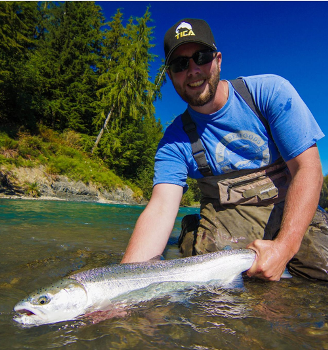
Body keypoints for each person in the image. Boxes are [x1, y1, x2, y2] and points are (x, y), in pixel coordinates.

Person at [121, 18, 328, 281]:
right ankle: (193, 231)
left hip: (291, 207)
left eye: (201, 57)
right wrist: (125, 282)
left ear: (218, 60)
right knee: (216, 293)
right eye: (180, 64)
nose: (193, 70)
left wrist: (285, 246)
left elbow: (307, 168)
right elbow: (161, 207)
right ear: (170, 75)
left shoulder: (269, 93)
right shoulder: (174, 142)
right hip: (226, 220)